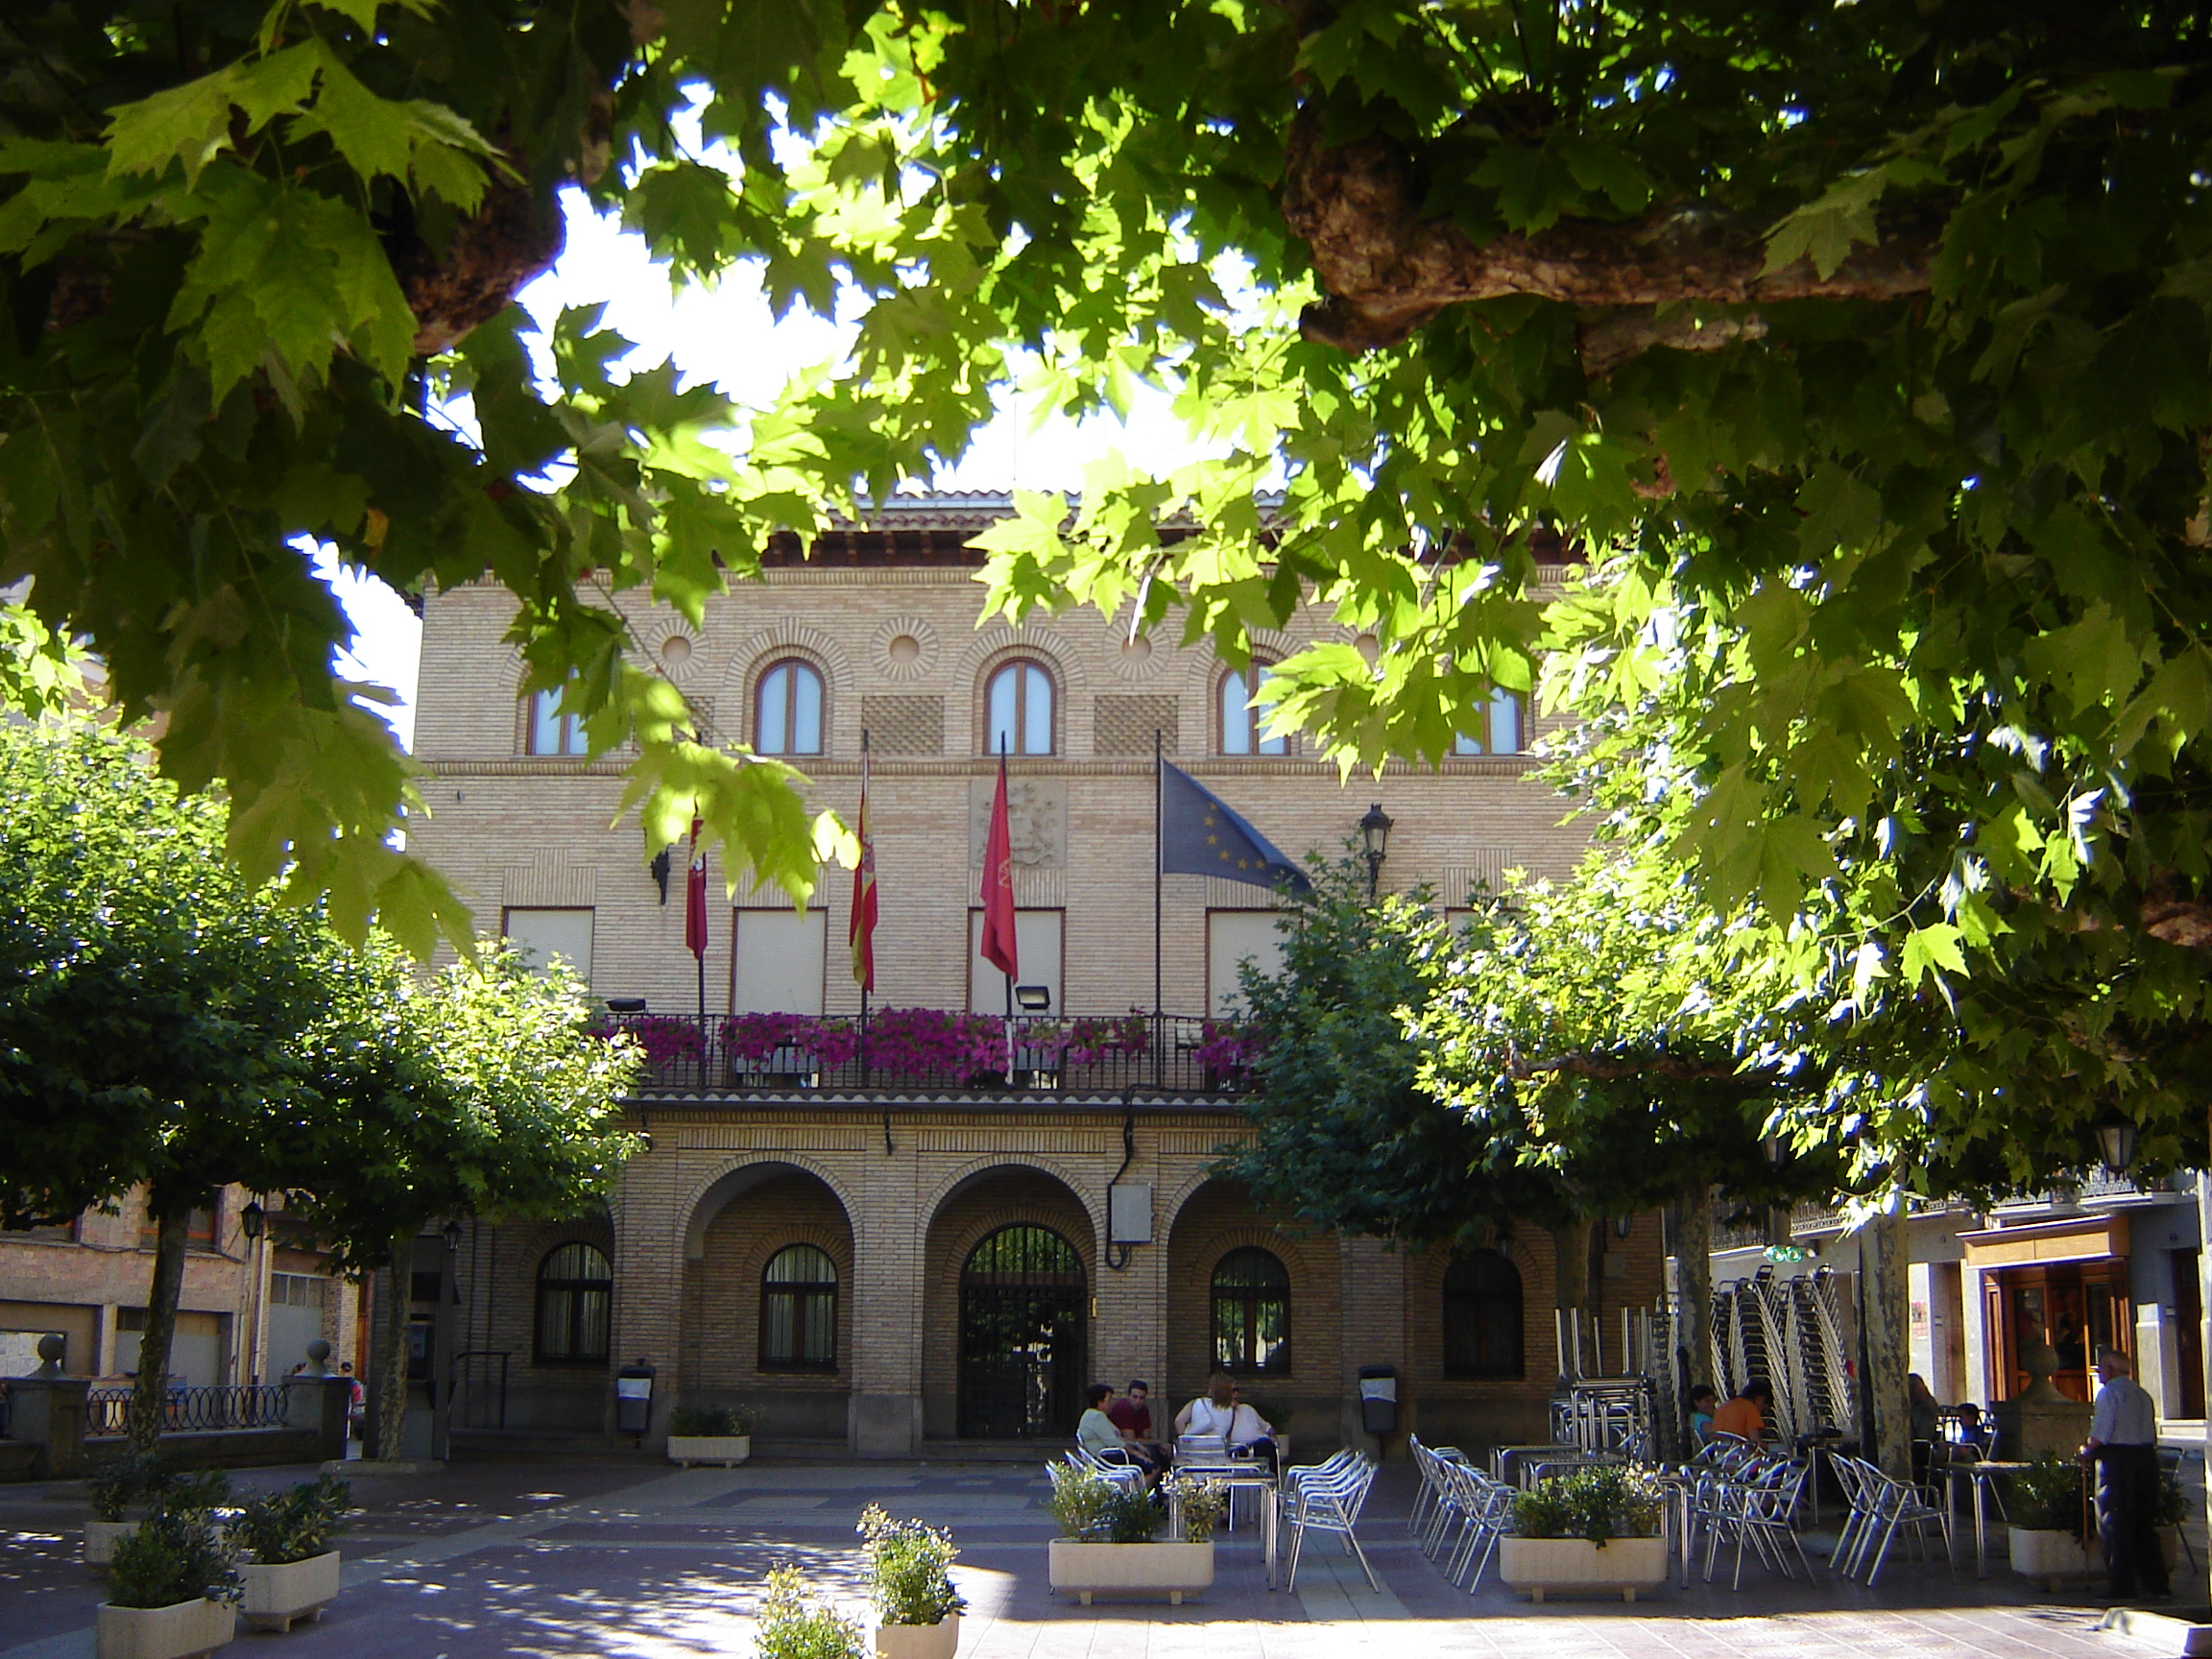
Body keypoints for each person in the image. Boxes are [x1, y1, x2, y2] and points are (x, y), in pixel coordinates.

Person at [2081, 1346, 2169, 1602]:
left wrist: (2086, 1450)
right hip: (2146, 1459)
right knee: (2144, 1523)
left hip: (2118, 1460)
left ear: (2109, 1369)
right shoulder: (2142, 1394)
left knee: (2115, 1523)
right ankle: (2157, 1584)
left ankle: (2122, 1586)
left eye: (2101, 1369)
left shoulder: (2109, 1394)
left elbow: (2102, 1431)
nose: (2099, 1374)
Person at [1106, 1379, 1171, 1468]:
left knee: (1164, 1454)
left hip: (1136, 1446)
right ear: (1128, 1396)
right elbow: (1131, 1439)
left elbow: (1147, 1436)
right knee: (1153, 1461)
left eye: (1141, 1398)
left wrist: (1158, 1445)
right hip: (1121, 1449)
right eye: (1134, 1397)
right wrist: (1159, 1442)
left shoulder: (1143, 1409)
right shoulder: (1123, 1408)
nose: (1137, 1401)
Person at [1176, 1371, 1239, 1440]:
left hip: (1195, 1448)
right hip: (1218, 1448)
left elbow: (1179, 1421)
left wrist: (1184, 1439)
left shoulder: (1198, 1402)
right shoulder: (1232, 1411)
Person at [1710, 1379, 1773, 1443]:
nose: (1763, 1409)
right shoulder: (1750, 1408)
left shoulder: (1722, 1407)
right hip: (1738, 1449)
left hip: (1719, 1449)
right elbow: (1754, 1439)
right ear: (1759, 1399)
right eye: (1765, 1404)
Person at [1226, 1385, 1276, 1465]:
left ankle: (1272, 1476)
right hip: (1238, 1446)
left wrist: (1273, 1435)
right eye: (1232, 1391)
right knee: (1241, 1452)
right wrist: (1230, 1411)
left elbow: (1266, 1426)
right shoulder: (1222, 1414)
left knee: (1266, 1444)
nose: (1235, 1393)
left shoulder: (1247, 1408)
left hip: (1259, 1443)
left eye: (1236, 1390)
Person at [1687, 1383, 1719, 1447]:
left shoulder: (1698, 1416)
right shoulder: (1700, 1419)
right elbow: (1715, 1434)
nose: (1711, 1404)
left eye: (1712, 1400)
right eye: (1707, 1401)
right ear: (1696, 1402)